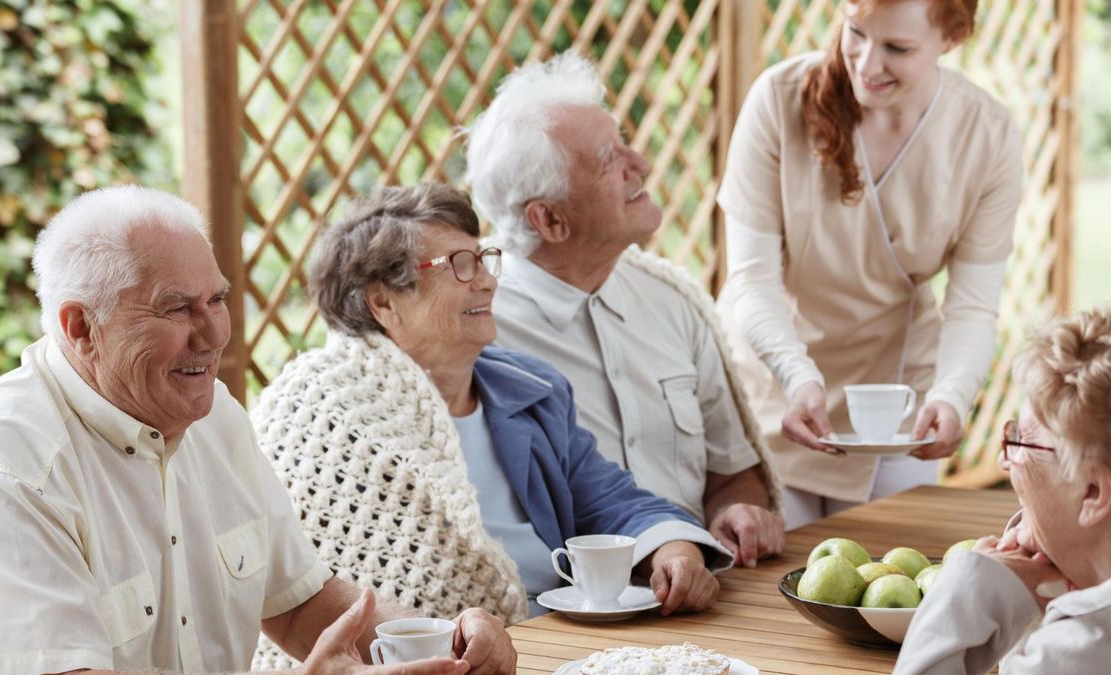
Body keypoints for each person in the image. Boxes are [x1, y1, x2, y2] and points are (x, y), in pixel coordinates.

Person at [0, 185, 513, 675]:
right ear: (81, 329)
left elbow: (302, 603)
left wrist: (447, 645)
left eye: (217, 300)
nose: (213, 334)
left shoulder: (214, 417)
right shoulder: (4, 464)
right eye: (176, 309)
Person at [251, 183, 729, 648]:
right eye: (459, 265)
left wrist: (670, 548)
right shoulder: (323, 411)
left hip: (564, 640)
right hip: (437, 657)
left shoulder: (530, 389)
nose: (486, 279)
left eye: (484, 259)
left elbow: (609, 500)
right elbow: (297, 586)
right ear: (383, 301)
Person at [463, 50, 785, 565]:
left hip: (702, 591)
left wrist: (738, 511)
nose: (642, 165)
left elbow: (733, 473)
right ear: (549, 220)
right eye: (609, 160)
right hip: (567, 617)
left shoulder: (672, 300)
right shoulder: (473, 326)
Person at [715, 0, 1022, 528]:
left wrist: (952, 396)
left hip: (896, 408)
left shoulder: (987, 135)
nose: (865, 63)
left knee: (884, 578)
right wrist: (796, 375)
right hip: (775, 387)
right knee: (770, 583)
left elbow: (973, 306)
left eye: (897, 48)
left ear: (951, 38)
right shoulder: (778, 100)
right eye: (855, 33)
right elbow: (750, 279)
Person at [894, 308, 1111, 673]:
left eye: (1021, 441)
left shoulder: (1078, 648)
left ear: (1092, 493)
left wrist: (967, 595)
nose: (1003, 460)